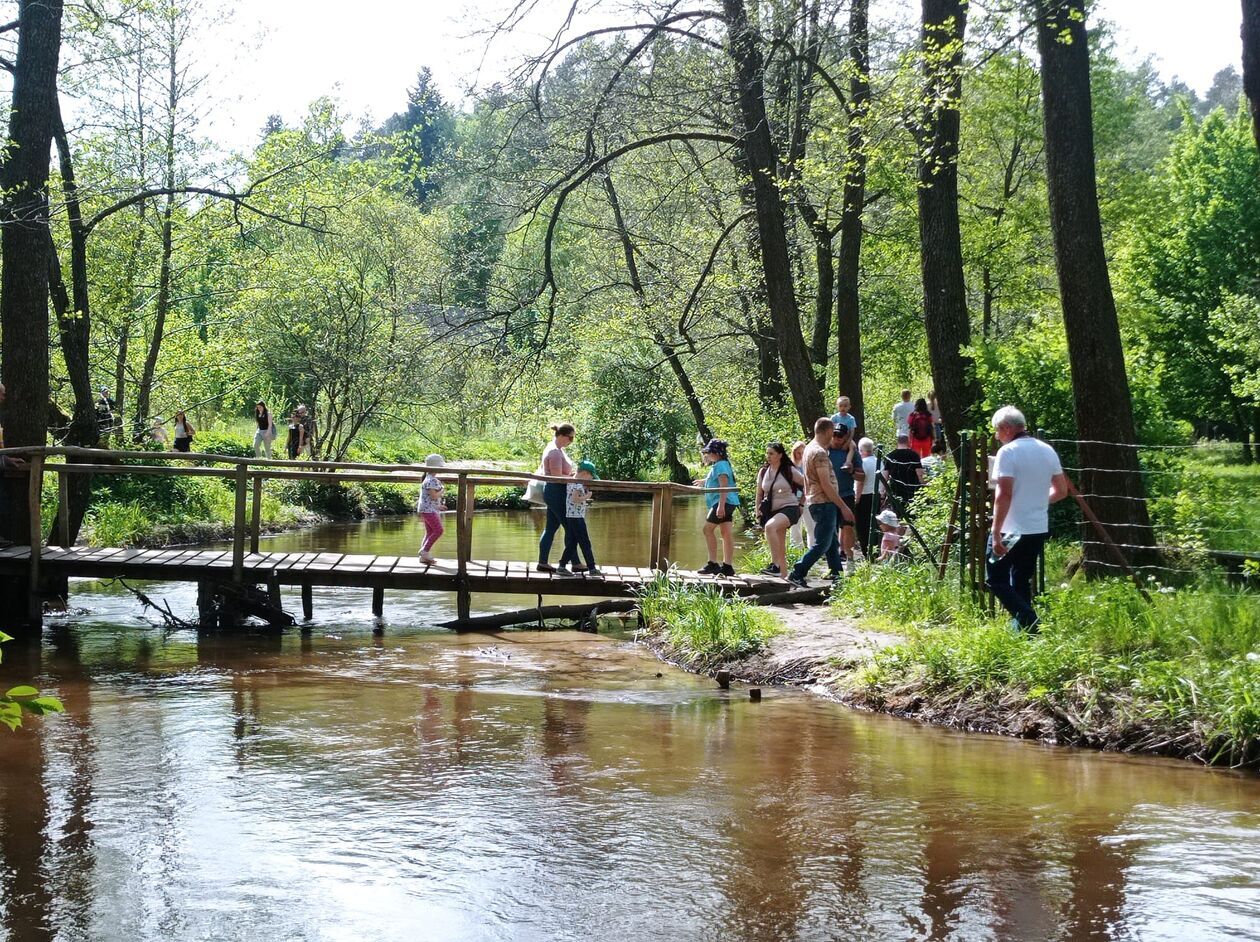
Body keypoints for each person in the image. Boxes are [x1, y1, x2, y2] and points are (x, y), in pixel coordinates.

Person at [987, 406, 1069, 631]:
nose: (996, 436)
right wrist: (1039, 502)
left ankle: (1029, 619)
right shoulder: (1047, 450)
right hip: (1037, 527)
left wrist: (996, 533)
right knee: (1021, 578)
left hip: (1011, 529)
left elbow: (1003, 494)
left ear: (1006, 428)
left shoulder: (1008, 452)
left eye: (997, 430)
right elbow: (1061, 491)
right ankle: (1024, 632)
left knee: (995, 578)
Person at [787, 418, 851, 588]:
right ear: (829, 432)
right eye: (832, 433)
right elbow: (825, 484)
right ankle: (797, 572)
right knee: (822, 543)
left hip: (815, 501)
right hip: (824, 501)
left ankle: (837, 574)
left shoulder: (808, 449)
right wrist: (843, 507)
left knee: (831, 541)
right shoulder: (820, 453)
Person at [755, 442, 805, 577]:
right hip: (772, 511)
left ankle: (775, 566)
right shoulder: (764, 471)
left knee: (770, 527)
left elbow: (807, 485)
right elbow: (760, 493)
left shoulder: (788, 470)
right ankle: (784, 578)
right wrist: (757, 509)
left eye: (771, 453)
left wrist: (801, 504)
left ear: (780, 455)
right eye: (767, 453)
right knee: (780, 546)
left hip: (790, 508)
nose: (768, 456)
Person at [695, 439, 740, 576]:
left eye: (709, 452)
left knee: (707, 530)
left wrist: (720, 506)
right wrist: (704, 481)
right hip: (729, 502)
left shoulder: (720, 465)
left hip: (723, 503)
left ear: (717, 453)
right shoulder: (721, 464)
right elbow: (719, 480)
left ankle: (713, 564)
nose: (707, 455)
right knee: (726, 533)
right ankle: (727, 566)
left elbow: (724, 485)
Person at [536, 422, 576, 572]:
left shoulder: (557, 449)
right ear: (561, 435)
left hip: (556, 491)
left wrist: (570, 475)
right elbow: (557, 477)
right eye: (570, 438)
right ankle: (575, 562)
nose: (571, 441)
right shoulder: (554, 451)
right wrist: (575, 478)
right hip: (555, 491)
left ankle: (543, 562)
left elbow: (559, 474)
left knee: (551, 528)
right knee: (570, 527)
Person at [829, 423, 865, 573]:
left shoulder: (852, 452)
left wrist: (851, 471)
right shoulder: (824, 450)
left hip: (846, 494)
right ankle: (834, 565)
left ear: (845, 437)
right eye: (835, 435)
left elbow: (862, 476)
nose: (837, 439)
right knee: (831, 530)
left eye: (840, 436)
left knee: (848, 526)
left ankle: (850, 561)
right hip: (829, 495)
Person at [559, 459, 602, 577]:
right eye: (591, 477)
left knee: (573, 543)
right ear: (585, 474)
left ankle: (562, 566)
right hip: (576, 517)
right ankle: (592, 568)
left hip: (572, 516)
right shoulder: (578, 483)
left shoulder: (572, 480)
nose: (591, 479)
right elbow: (574, 498)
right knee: (585, 542)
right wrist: (586, 497)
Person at [883, 434, 926, 510]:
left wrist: (882, 492)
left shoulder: (889, 456)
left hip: (896, 491)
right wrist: (924, 485)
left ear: (897, 442)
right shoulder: (914, 455)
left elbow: (885, 477)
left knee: (898, 512)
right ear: (908, 442)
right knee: (911, 513)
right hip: (911, 490)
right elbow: (920, 474)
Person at [417, 454, 446, 563]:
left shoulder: (428, 478)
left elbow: (428, 498)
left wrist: (438, 506)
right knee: (438, 530)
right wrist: (442, 490)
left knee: (429, 532)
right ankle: (424, 551)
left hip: (427, 508)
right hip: (428, 510)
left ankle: (423, 556)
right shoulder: (432, 480)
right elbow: (433, 495)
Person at [856, 437, 879, 560]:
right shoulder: (879, 461)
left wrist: (857, 498)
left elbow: (860, 482)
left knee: (863, 526)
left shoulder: (863, 463)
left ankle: (867, 552)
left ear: (861, 450)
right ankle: (875, 551)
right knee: (874, 525)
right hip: (876, 496)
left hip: (864, 497)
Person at [788, 440, 813, 550]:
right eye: (798, 453)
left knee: (811, 524)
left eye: (803, 453)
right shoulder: (790, 466)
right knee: (795, 525)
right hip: (793, 498)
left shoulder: (807, 465)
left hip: (807, 497)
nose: (800, 455)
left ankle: (812, 548)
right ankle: (797, 549)